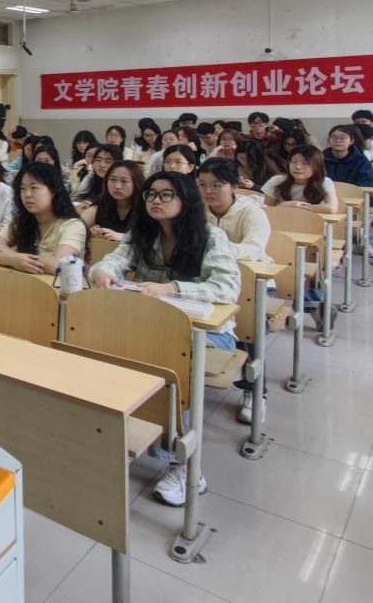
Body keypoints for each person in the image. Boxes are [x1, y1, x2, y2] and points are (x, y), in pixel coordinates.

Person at [88, 170, 240, 507]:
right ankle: (111, 434)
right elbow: (112, 261)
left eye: (166, 194)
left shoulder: (211, 237)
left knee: (170, 365)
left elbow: (227, 288)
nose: (156, 200)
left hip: (205, 333)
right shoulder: (142, 233)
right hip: (150, 328)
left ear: (186, 200)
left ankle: (186, 465)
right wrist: (102, 272)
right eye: (151, 194)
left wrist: (171, 288)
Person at [0, 162, 86, 273]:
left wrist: (11, 254)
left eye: (34, 188)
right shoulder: (21, 221)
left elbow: (59, 265)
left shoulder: (73, 225)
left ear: (53, 191)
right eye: (22, 188)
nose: (27, 194)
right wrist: (14, 259)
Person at [199, 158, 271, 262]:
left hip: (248, 268)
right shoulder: (194, 211)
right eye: (202, 184)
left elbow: (253, 250)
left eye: (216, 185)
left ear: (234, 186)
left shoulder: (252, 212)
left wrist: (215, 249)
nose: (208, 191)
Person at [263, 146, 340, 213]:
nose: (298, 167)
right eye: (294, 162)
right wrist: (283, 206)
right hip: (284, 221)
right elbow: (267, 210)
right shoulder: (277, 181)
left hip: (313, 222)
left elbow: (331, 208)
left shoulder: (324, 182)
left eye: (305, 163)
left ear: (317, 166)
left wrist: (297, 207)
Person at [81, 160, 144, 239]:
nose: (117, 186)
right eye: (112, 179)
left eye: (124, 181)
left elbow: (151, 238)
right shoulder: (101, 204)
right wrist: (89, 233)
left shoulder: (146, 207)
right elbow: (76, 227)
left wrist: (124, 237)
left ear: (136, 183)